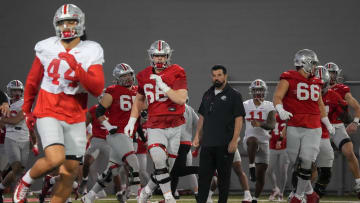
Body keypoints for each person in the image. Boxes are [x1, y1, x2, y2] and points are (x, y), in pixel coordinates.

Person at [14, 4, 105, 203]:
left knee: (70, 170)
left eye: (70, 21)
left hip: (75, 114)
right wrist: (27, 110)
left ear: (80, 22)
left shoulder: (91, 49)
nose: (66, 26)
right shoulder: (47, 46)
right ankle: (25, 181)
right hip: (49, 109)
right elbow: (32, 81)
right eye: (62, 22)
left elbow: (97, 88)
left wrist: (77, 68)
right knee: (55, 158)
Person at [124, 40, 188, 203]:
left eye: (162, 56)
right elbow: (139, 100)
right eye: (156, 56)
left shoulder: (177, 71)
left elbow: (181, 99)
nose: (159, 60)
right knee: (159, 160)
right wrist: (132, 121)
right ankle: (168, 198)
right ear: (151, 56)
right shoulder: (144, 75)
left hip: (175, 125)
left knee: (166, 168)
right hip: (155, 125)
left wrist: (162, 85)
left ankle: (146, 191)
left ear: (168, 56)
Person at [273, 49, 334, 203]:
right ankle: (310, 193)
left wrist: (327, 122)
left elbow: (319, 104)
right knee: (296, 161)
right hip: (294, 125)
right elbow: (277, 96)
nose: (314, 67)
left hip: (313, 127)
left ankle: (299, 196)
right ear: (304, 62)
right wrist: (280, 109)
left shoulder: (316, 81)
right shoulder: (288, 77)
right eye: (313, 63)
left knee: (307, 160)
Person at [82, 63, 141, 203]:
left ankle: (89, 197)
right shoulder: (112, 90)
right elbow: (99, 111)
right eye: (123, 76)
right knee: (133, 161)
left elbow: (141, 111)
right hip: (117, 133)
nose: (127, 78)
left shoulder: (139, 91)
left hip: (129, 134)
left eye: (129, 75)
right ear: (117, 78)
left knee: (111, 170)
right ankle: (139, 195)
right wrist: (108, 126)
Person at [192, 64, 245, 203]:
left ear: (225, 76)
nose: (216, 78)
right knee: (203, 179)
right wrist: (197, 136)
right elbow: (202, 117)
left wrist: (234, 141)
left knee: (224, 180)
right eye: (214, 75)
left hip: (225, 145)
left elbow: (239, 119)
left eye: (219, 75)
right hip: (207, 145)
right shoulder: (207, 94)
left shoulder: (234, 95)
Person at [313, 66, 350, 198]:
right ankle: (297, 192)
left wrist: (343, 110)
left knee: (325, 172)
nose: (320, 86)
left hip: (324, 134)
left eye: (322, 84)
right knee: (304, 167)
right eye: (317, 83)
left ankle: (315, 196)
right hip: (308, 133)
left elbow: (346, 117)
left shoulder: (333, 96)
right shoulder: (304, 95)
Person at [325, 62, 360, 198]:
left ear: (337, 74)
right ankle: (304, 190)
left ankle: (358, 183)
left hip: (337, 126)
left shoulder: (341, 89)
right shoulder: (315, 88)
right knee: (313, 161)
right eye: (329, 73)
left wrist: (355, 123)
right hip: (321, 127)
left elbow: (357, 107)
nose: (331, 76)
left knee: (349, 152)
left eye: (333, 73)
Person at [0, 80, 38, 203]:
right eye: (13, 90)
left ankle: (18, 194)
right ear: (8, 91)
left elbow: (16, 120)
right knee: (15, 168)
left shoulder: (24, 103)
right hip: (8, 138)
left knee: (20, 170)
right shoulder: (4, 104)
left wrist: (3, 120)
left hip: (21, 137)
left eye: (18, 90)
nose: (16, 93)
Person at [243, 79, 276, 203]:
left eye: (260, 90)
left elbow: (272, 125)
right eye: (256, 90)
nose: (258, 92)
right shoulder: (245, 104)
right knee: (253, 140)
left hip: (264, 142)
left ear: (265, 91)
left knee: (261, 176)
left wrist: (260, 124)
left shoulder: (269, 105)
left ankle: (255, 199)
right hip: (249, 141)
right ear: (251, 91)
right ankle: (251, 167)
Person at [170, 103, 199, 198]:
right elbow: (199, 124)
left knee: (178, 170)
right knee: (174, 171)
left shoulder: (173, 106)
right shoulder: (190, 108)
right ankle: (172, 195)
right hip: (186, 143)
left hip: (178, 142)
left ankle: (207, 169)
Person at [267, 113, 289, 201]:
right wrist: (268, 136)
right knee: (269, 170)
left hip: (285, 147)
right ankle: (275, 188)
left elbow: (288, 131)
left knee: (283, 171)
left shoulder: (288, 117)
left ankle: (281, 193)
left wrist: (280, 141)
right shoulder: (273, 117)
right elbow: (269, 131)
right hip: (273, 147)